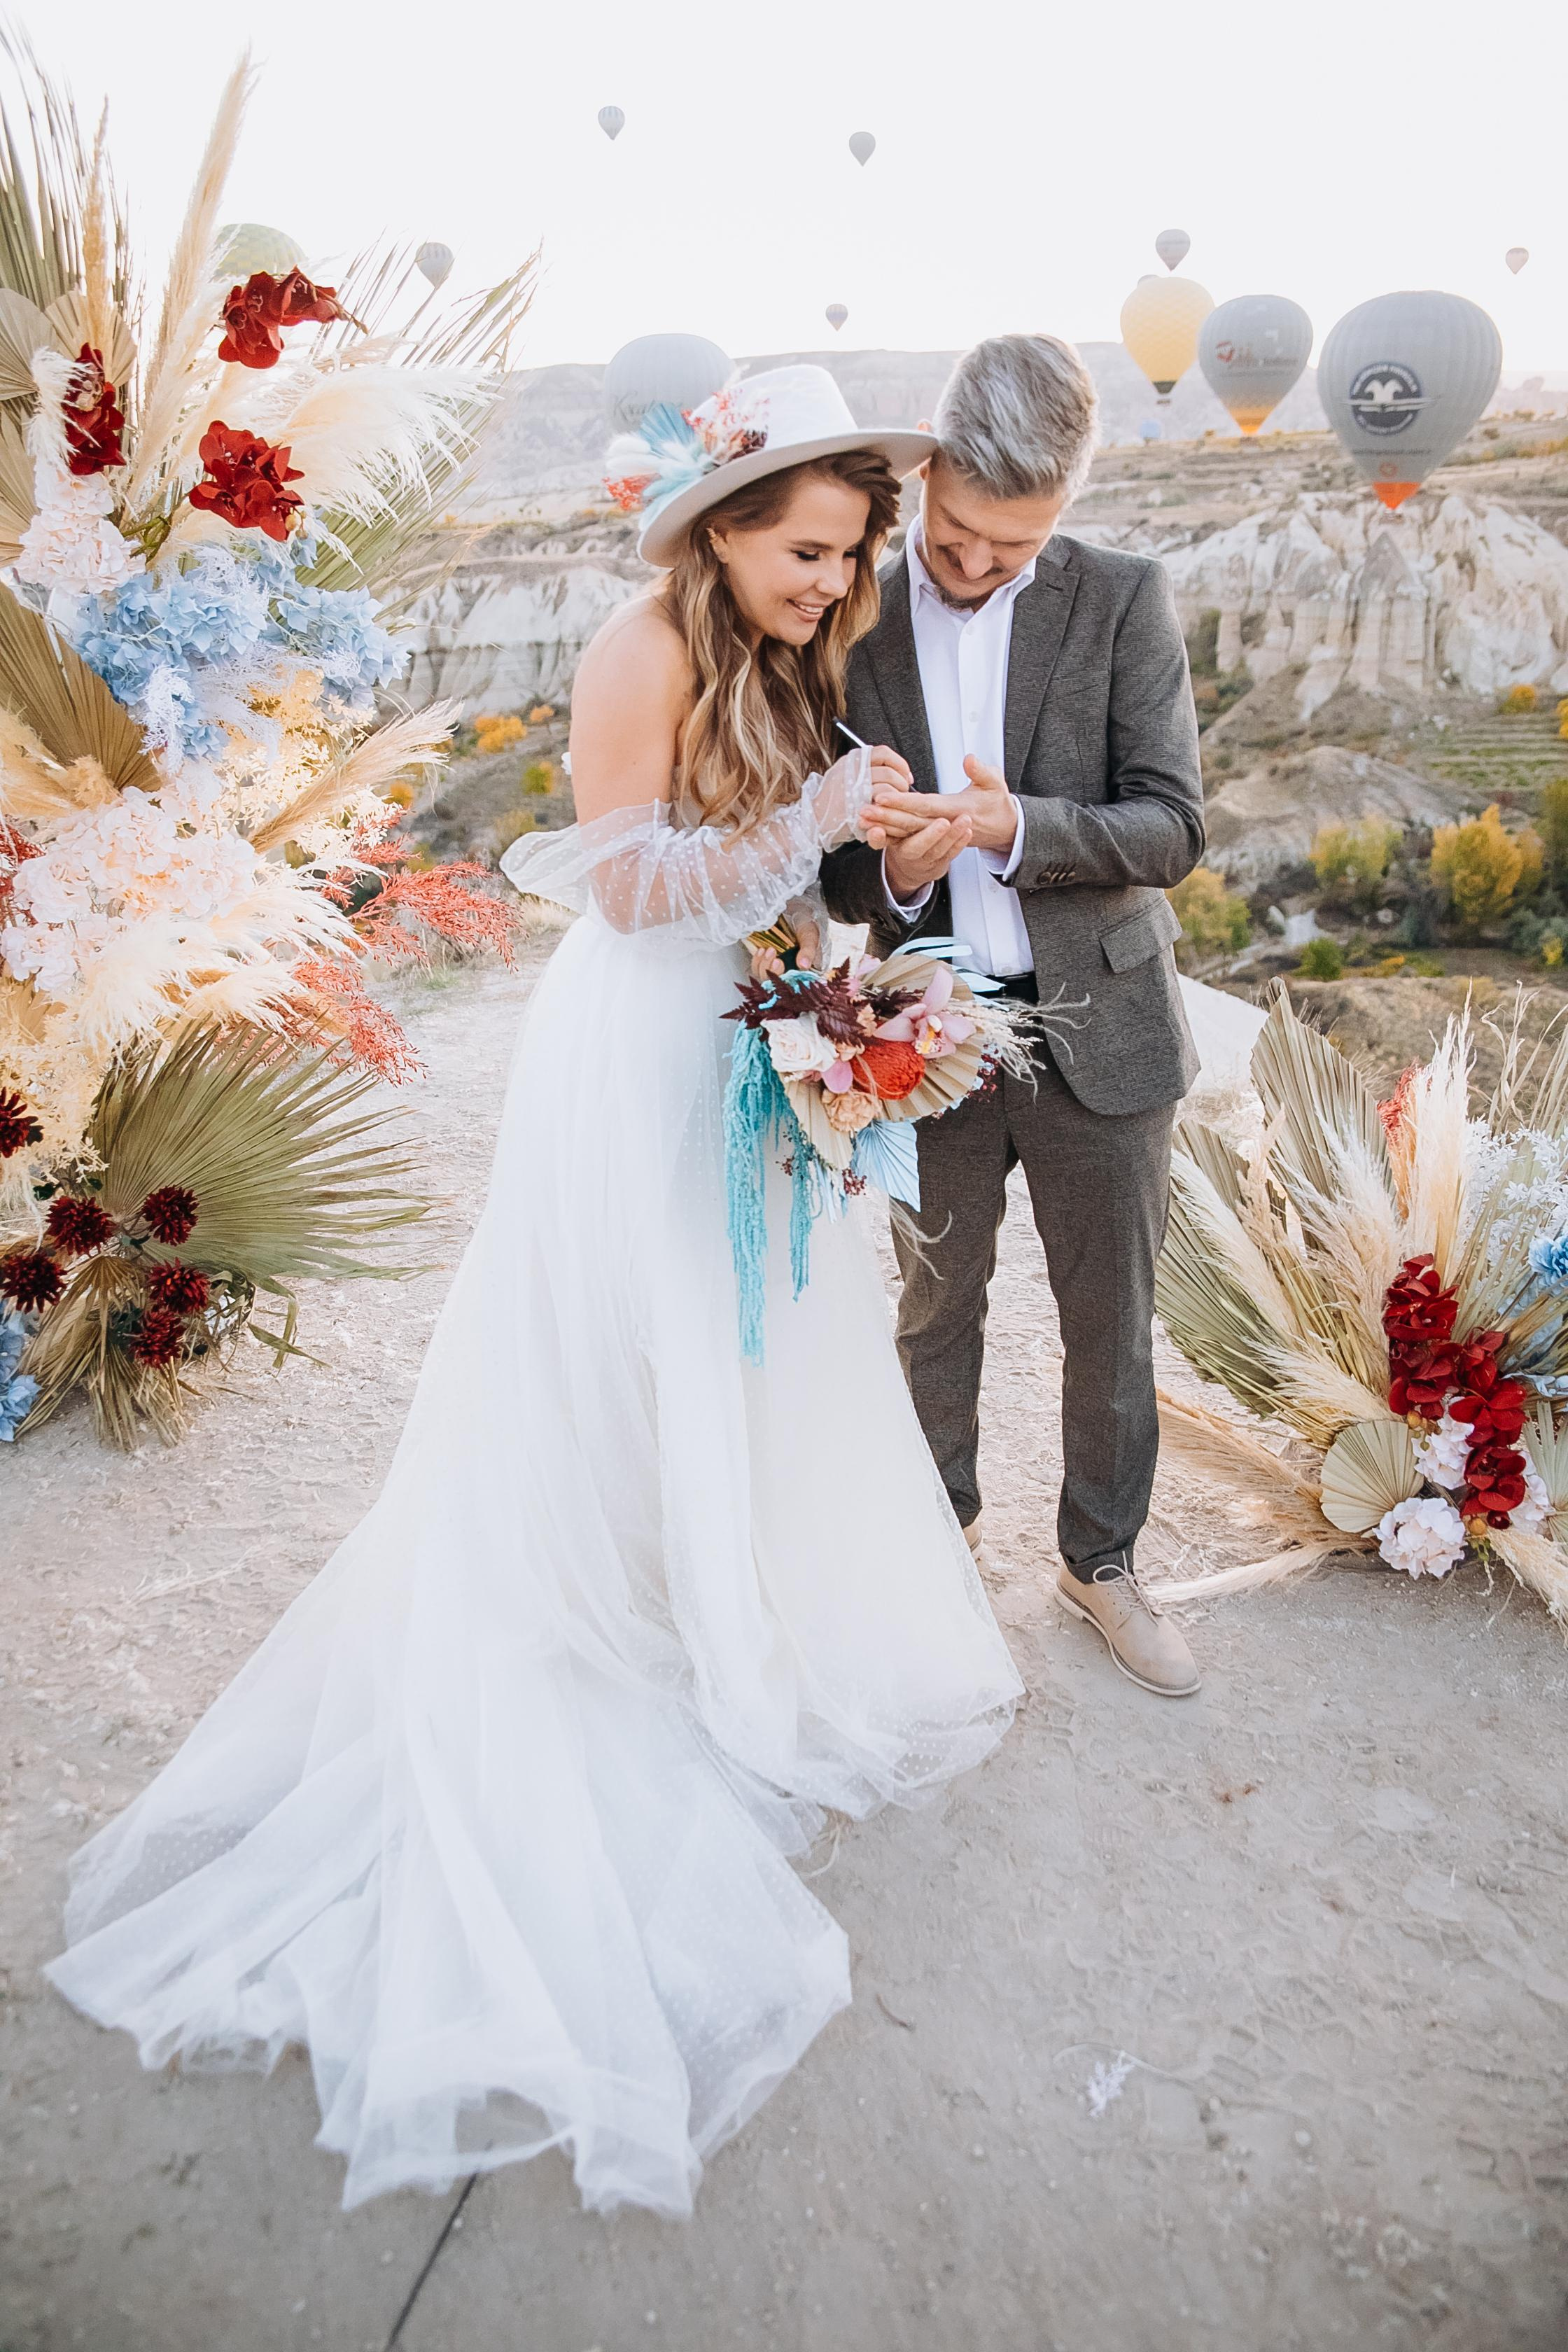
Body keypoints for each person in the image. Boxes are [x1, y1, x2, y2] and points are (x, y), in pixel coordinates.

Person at [44, 366, 1021, 2218]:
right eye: (809, 552)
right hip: (640, 1038)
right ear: (724, 529)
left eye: (849, 557)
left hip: (752, 1022)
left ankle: (730, 1599)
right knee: (635, 1334)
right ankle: (624, 1609)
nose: (833, 583)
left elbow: (775, 869)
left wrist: (852, 945)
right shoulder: (639, 645)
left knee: (753, 1331)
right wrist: (813, 813)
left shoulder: (779, 648)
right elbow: (631, 887)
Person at [821, 333, 1207, 1700]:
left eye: (1016, 546)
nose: (979, 565)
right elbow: (831, 866)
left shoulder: (1123, 598)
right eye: (958, 537)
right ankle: (936, 1552)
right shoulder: (850, 614)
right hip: (929, 1031)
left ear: (1066, 508)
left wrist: (1013, 827)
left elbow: (1172, 826)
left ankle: (1102, 1565)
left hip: (1104, 1023)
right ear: (928, 476)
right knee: (935, 1304)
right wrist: (896, 872)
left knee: (1112, 1320)